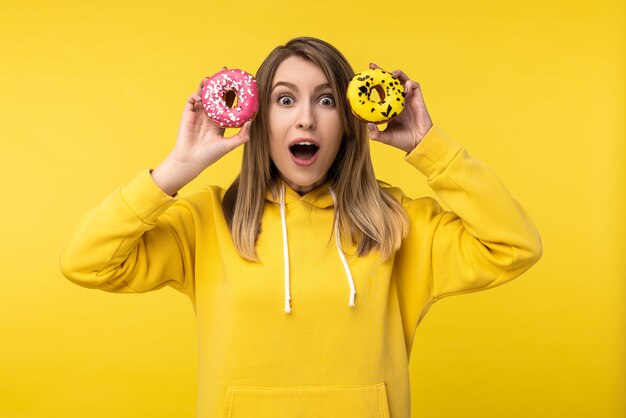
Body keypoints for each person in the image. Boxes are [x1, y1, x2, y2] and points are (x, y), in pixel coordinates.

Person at [60, 36, 542, 418]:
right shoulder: (207, 222)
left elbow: (513, 245)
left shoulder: (397, 224)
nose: (306, 119)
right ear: (259, 118)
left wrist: (429, 147)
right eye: (284, 100)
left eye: (327, 101)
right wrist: (174, 171)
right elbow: (85, 262)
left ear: (350, 122)